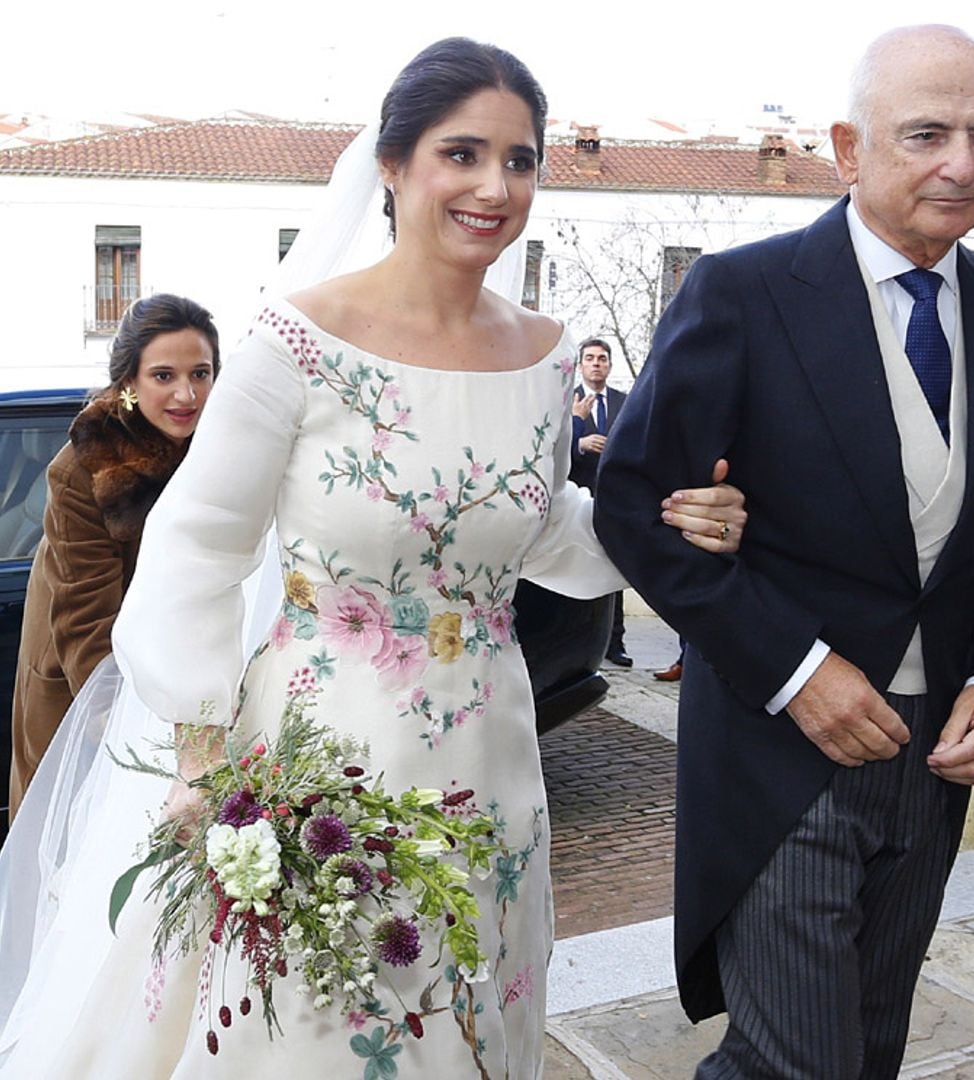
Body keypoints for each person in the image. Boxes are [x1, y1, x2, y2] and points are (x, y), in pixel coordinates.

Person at [0, 39, 746, 1079]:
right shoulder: (294, 344)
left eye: (520, 160)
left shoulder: (539, 352)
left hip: (490, 752)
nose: (496, 186)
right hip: (320, 756)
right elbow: (196, 551)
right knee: (315, 1031)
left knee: (469, 1017)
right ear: (393, 165)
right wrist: (204, 756)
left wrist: (672, 525)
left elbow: (540, 532)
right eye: (463, 154)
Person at [594, 24, 974, 1080]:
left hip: (939, 752)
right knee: (794, 1059)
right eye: (928, 133)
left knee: (867, 1045)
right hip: (781, 755)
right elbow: (633, 507)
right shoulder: (741, 292)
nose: (964, 162)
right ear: (849, 147)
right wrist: (796, 671)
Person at [8, 293, 219, 819]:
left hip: (182, 674)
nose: (186, 393)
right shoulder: (85, 468)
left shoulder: (217, 447)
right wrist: (129, 739)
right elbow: (84, 621)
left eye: (201, 373)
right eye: (164, 376)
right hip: (88, 691)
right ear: (129, 381)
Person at [569, 337, 632, 666]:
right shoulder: (567, 401)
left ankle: (615, 642)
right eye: (590, 358)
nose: (596, 363)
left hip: (613, 502)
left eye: (602, 358)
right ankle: (574, 642)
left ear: (609, 365)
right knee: (575, 569)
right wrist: (580, 442)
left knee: (612, 571)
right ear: (580, 365)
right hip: (576, 502)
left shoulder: (626, 402)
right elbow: (554, 449)